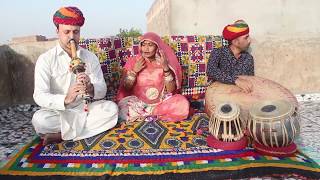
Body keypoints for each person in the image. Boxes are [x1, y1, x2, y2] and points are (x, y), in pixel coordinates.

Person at [32, 6, 118, 145]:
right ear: (57, 32)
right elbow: (39, 95)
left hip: (84, 109)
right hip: (59, 111)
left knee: (111, 109)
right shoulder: (46, 59)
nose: (72, 37)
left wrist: (91, 88)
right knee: (40, 120)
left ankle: (61, 135)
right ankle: (79, 131)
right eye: (66, 32)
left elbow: (102, 89)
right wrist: (66, 99)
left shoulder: (90, 57)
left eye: (76, 32)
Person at [116, 32, 189, 124]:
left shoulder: (163, 62)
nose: (146, 48)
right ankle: (151, 115)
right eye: (143, 45)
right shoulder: (134, 61)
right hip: (138, 104)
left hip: (159, 105)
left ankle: (149, 115)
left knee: (182, 102)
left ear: (157, 47)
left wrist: (166, 68)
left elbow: (171, 90)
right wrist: (134, 71)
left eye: (150, 45)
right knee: (121, 109)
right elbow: (126, 88)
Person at [207, 20, 254, 93]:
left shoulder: (248, 58)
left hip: (239, 96)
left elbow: (250, 80)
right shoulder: (218, 52)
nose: (250, 40)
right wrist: (235, 80)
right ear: (235, 42)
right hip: (219, 94)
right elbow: (211, 71)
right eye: (246, 38)